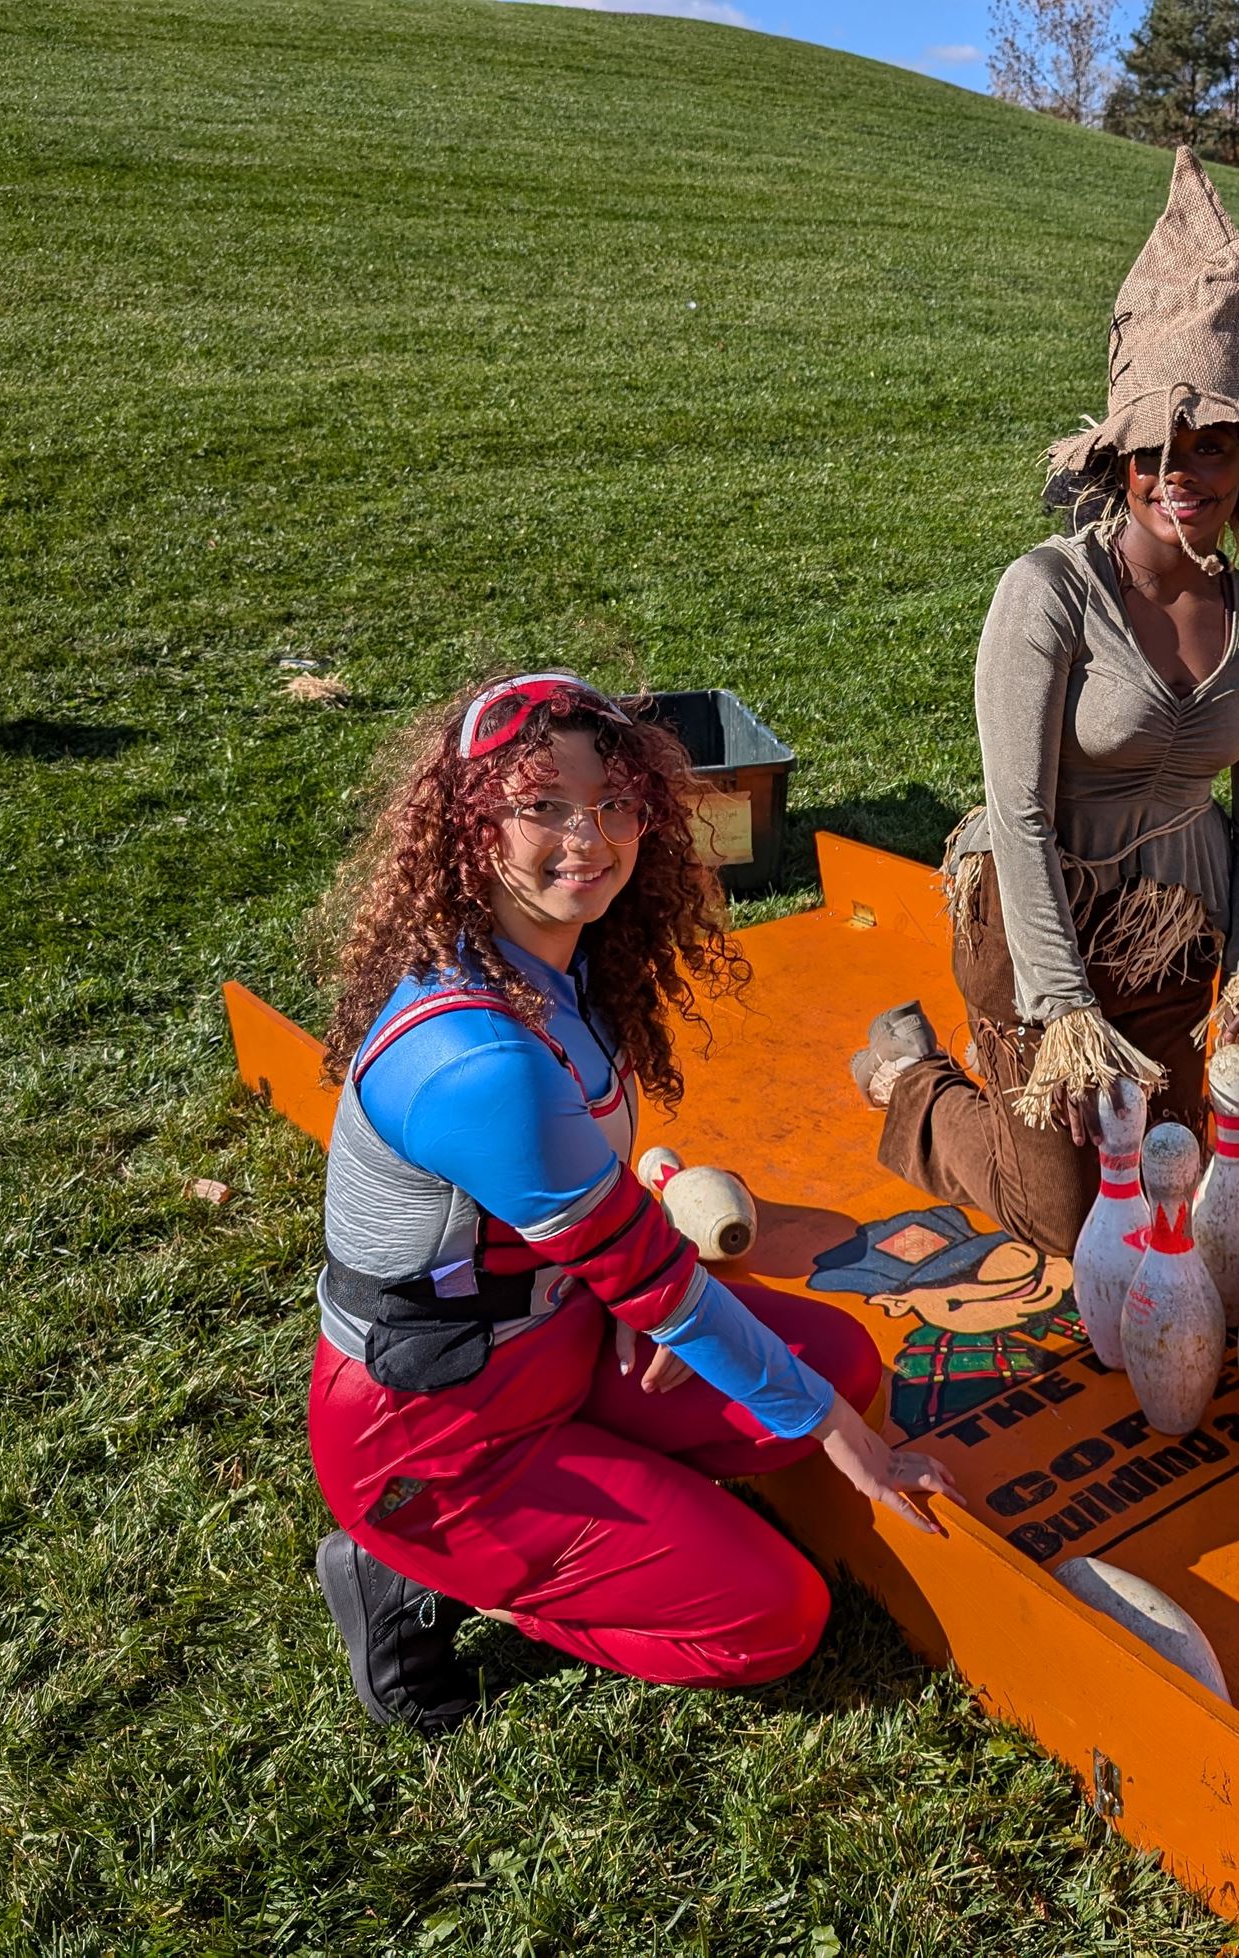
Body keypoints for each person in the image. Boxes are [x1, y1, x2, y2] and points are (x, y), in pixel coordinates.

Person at [308, 672, 957, 1734]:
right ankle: (409, 1569)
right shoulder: (476, 1054)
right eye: (543, 806)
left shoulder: (546, 962)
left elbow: (600, 1237)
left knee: (839, 1358)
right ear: (470, 828)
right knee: (775, 1615)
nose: (590, 836)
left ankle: (613, 1490)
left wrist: (621, 1298)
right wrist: (852, 1445)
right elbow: (653, 1275)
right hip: (433, 1439)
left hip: (548, 1339)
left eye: (614, 804)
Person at [853, 147, 1239, 1256]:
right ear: (1114, 461)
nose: (1183, 473)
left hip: (1171, 937)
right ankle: (911, 1077)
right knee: (1072, 1222)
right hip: (1035, 932)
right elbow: (1016, 815)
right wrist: (1061, 1008)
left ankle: (1040, 1072)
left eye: (1212, 445)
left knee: (1169, 1199)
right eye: (1153, 449)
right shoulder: (1047, 592)